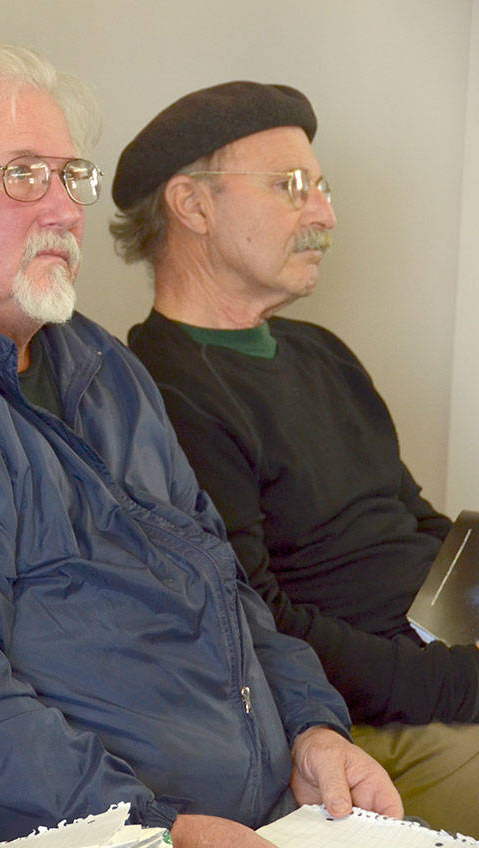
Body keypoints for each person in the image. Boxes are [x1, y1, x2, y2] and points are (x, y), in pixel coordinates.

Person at [0, 44, 402, 848]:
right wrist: (164, 830)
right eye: (22, 176)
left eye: (70, 177)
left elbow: (224, 584)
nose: (62, 209)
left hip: (269, 818)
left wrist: (313, 729)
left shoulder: (99, 363)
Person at [114, 81, 479, 836]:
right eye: (291, 188)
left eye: (322, 187)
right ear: (193, 206)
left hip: (445, 671)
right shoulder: (160, 391)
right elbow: (256, 621)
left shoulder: (321, 352)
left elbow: (416, 525)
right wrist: (457, 683)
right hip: (361, 725)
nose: (325, 213)